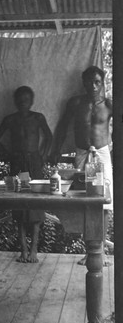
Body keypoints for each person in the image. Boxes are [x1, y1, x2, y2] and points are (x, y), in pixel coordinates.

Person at [50, 65, 113, 266]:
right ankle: (89, 251)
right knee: (85, 200)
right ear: (83, 83)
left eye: (98, 82)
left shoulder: (110, 104)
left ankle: (100, 251)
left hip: (101, 154)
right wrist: (55, 150)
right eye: (90, 82)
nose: (94, 86)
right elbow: (62, 127)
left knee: (104, 201)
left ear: (102, 83)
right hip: (82, 154)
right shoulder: (76, 103)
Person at [0, 86, 52, 263]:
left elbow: (49, 137)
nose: (23, 102)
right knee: (19, 207)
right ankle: (23, 251)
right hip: (18, 164)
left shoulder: (38, 118)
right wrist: (8, 154)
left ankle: (34, 250)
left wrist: (43, 156)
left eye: (26, 99)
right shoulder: (10, 119)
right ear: (15, 101)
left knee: (35, 206)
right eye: (20, 99)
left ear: (32, 101)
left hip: (34, 163)